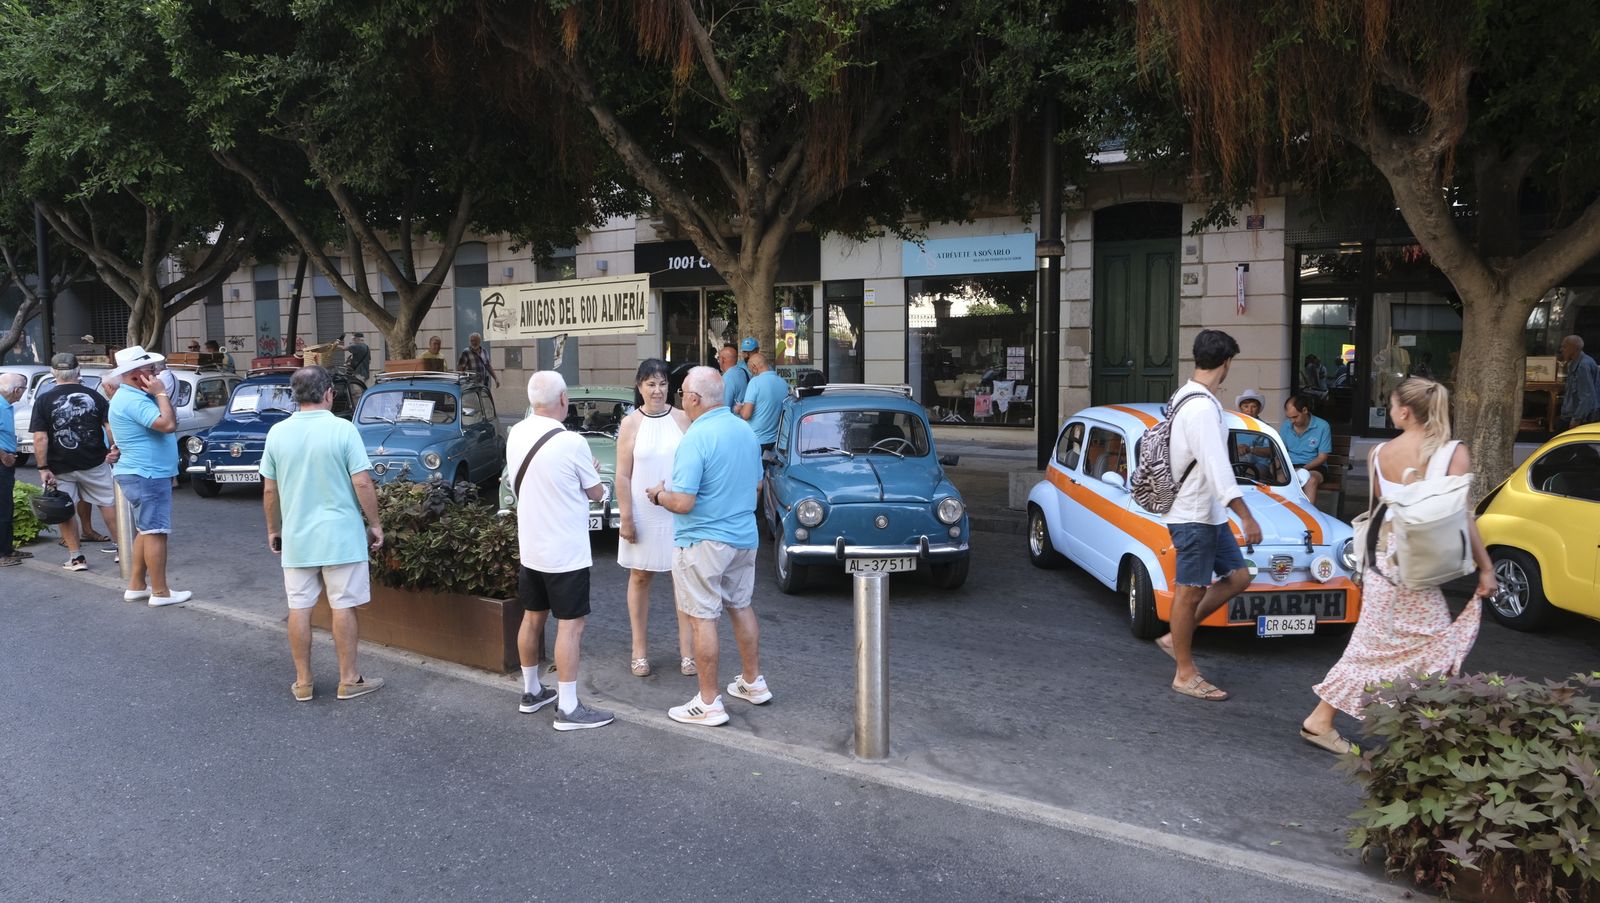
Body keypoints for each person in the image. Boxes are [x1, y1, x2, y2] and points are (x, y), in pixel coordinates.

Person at [1299, 377, 1491, 754]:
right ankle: (1421, 729)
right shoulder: (1453, 453)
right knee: (1434, 643)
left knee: (1375, 645)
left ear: (1405, 412)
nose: (1389, 412)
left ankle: (1339, 720)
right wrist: (1485, 566)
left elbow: (1379, 510)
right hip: (1422, 562)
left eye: (1390, 406)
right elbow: (1462, 517)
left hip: (1384, 562)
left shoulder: (1379, 453)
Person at [646, 366, 771, 727]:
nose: (680, 399)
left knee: (702, 619)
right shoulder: (745, 431)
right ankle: (752, 682)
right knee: (741, 607)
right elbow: (757, 486)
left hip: (702, 541)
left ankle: (708, 702)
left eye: (681, 393)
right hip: (743, 536)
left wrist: (658, 495)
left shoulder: (696, 437)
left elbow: (683, 502)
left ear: (694, 399)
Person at [260, 366, 385, 702]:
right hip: (341, 535)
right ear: (329, 393)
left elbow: (270, 490)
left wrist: (274, 529)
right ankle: (349, 679)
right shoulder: (343, 429)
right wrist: (375, 524)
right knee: (342, 605)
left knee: (299, 607)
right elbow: (362, 482)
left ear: (295, 396)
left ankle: (303, 682)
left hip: (297, 537)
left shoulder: (277, 433)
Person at [1153, 330, 1263, 701]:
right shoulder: (1200, 408)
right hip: (1193, 513)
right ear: (1227, 363)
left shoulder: (1186, 395)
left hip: (1209, 512)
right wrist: (1246, 516)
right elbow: (1217, 468)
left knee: (1239, 577)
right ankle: (1184, 673)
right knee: (1190, 592)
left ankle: (1175, 637)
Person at [507, 371, 613, 730]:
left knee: (532, 617)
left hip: (531, 547)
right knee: (571, 626)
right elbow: (595, 492)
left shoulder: (516, 433)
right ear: (564, 400)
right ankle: (568, 707)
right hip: (565, 551)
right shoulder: (572, 442)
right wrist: (597, 481)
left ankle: (531, 691)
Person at [615, 359, 695, 678]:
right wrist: (626, 517)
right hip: (642, 512)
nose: (657, 390)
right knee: (639, 576)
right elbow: (622, 475)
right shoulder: (630, 423)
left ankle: (688, 652)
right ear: (640, 387)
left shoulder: (683, 418)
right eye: (651, 384)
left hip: (678, 510)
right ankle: (639, 651)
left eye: (662, 383)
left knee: (683, 578)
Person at [105, 345, 190, 607]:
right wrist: (161, 393)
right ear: (134, 374)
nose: (156, 374)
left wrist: (158, 395)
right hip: (147, 472)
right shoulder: (134, 399)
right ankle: (160, 592)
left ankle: (137, 585)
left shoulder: (132, 396)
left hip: (143, 471)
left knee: (146, 529)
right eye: (151, 369)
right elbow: (168, 424)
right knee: (156, 531)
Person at [30, 353, 122, 572]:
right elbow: (110, 427)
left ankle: (76, 558)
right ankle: (123, 550)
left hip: (59, 467)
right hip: (95, 461)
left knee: (64, 508)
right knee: (107, 503)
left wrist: (42, 468)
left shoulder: (43, 400)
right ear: (78, 371)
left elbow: (40, 438)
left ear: (53, 373)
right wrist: (113, 449)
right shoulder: (95, 396)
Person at [1280, 394, 1332, 498]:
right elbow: (1281, 450)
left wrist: (1302, 469)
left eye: (1295, 417)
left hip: (1314, 467)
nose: (1292, 421)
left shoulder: (1322, 426)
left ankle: (1307, 509)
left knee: (1310, 480)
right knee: (1280, 479)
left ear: (1304, 410)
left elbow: (1322, 457)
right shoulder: (1286, 425)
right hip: (1291, 466)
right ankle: (1287, 508)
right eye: (1289, 418)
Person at [0, 372, 28, 567]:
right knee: (2, 508)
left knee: (6, 506)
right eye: (24, 389)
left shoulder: (6, 405)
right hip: (2, 461)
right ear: (17, 390)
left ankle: (7, 549)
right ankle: (2, 553)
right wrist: (4, 455)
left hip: (6, 460)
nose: (23, 392)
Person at [736, 351, 788, 450]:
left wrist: (739, 409)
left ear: (754, 367)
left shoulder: (755, 382)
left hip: (756, 439)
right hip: (775, 440)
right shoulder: (783, 382)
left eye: (750, 370)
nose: (751, 373)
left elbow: (746, 415)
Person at [1557, 334, 1598, 429]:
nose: (1561, 350)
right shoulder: (1574, 363)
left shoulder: (1583, 366)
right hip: (1571, 414)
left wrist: (1577, 419)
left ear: (1574, 348)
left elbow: (1587, 396)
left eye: (1564, 347)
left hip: (1578, 417)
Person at [718, 343, 750, 410]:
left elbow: (724, 407)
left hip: (734, 415)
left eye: (719, 358)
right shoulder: (743, 371)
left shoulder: (727, 378)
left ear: (723, 360)